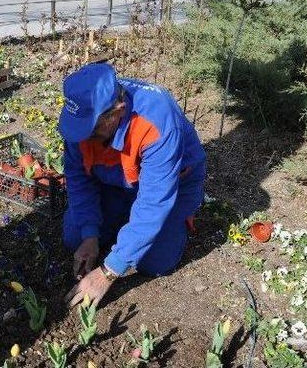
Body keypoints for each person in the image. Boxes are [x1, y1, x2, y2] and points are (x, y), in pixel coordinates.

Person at [59, 62, 206, 309]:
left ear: (118, 110)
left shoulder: (156, 121)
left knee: (154, 263)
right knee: (76, 236)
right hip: (117, 180)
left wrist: (108, 271)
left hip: (173, 184)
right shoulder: (82, 117)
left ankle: (173, 220)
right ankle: (125, 226)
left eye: (92, 130)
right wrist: (89, 234)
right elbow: (78, 177)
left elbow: (154, 201)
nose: (84, 138)